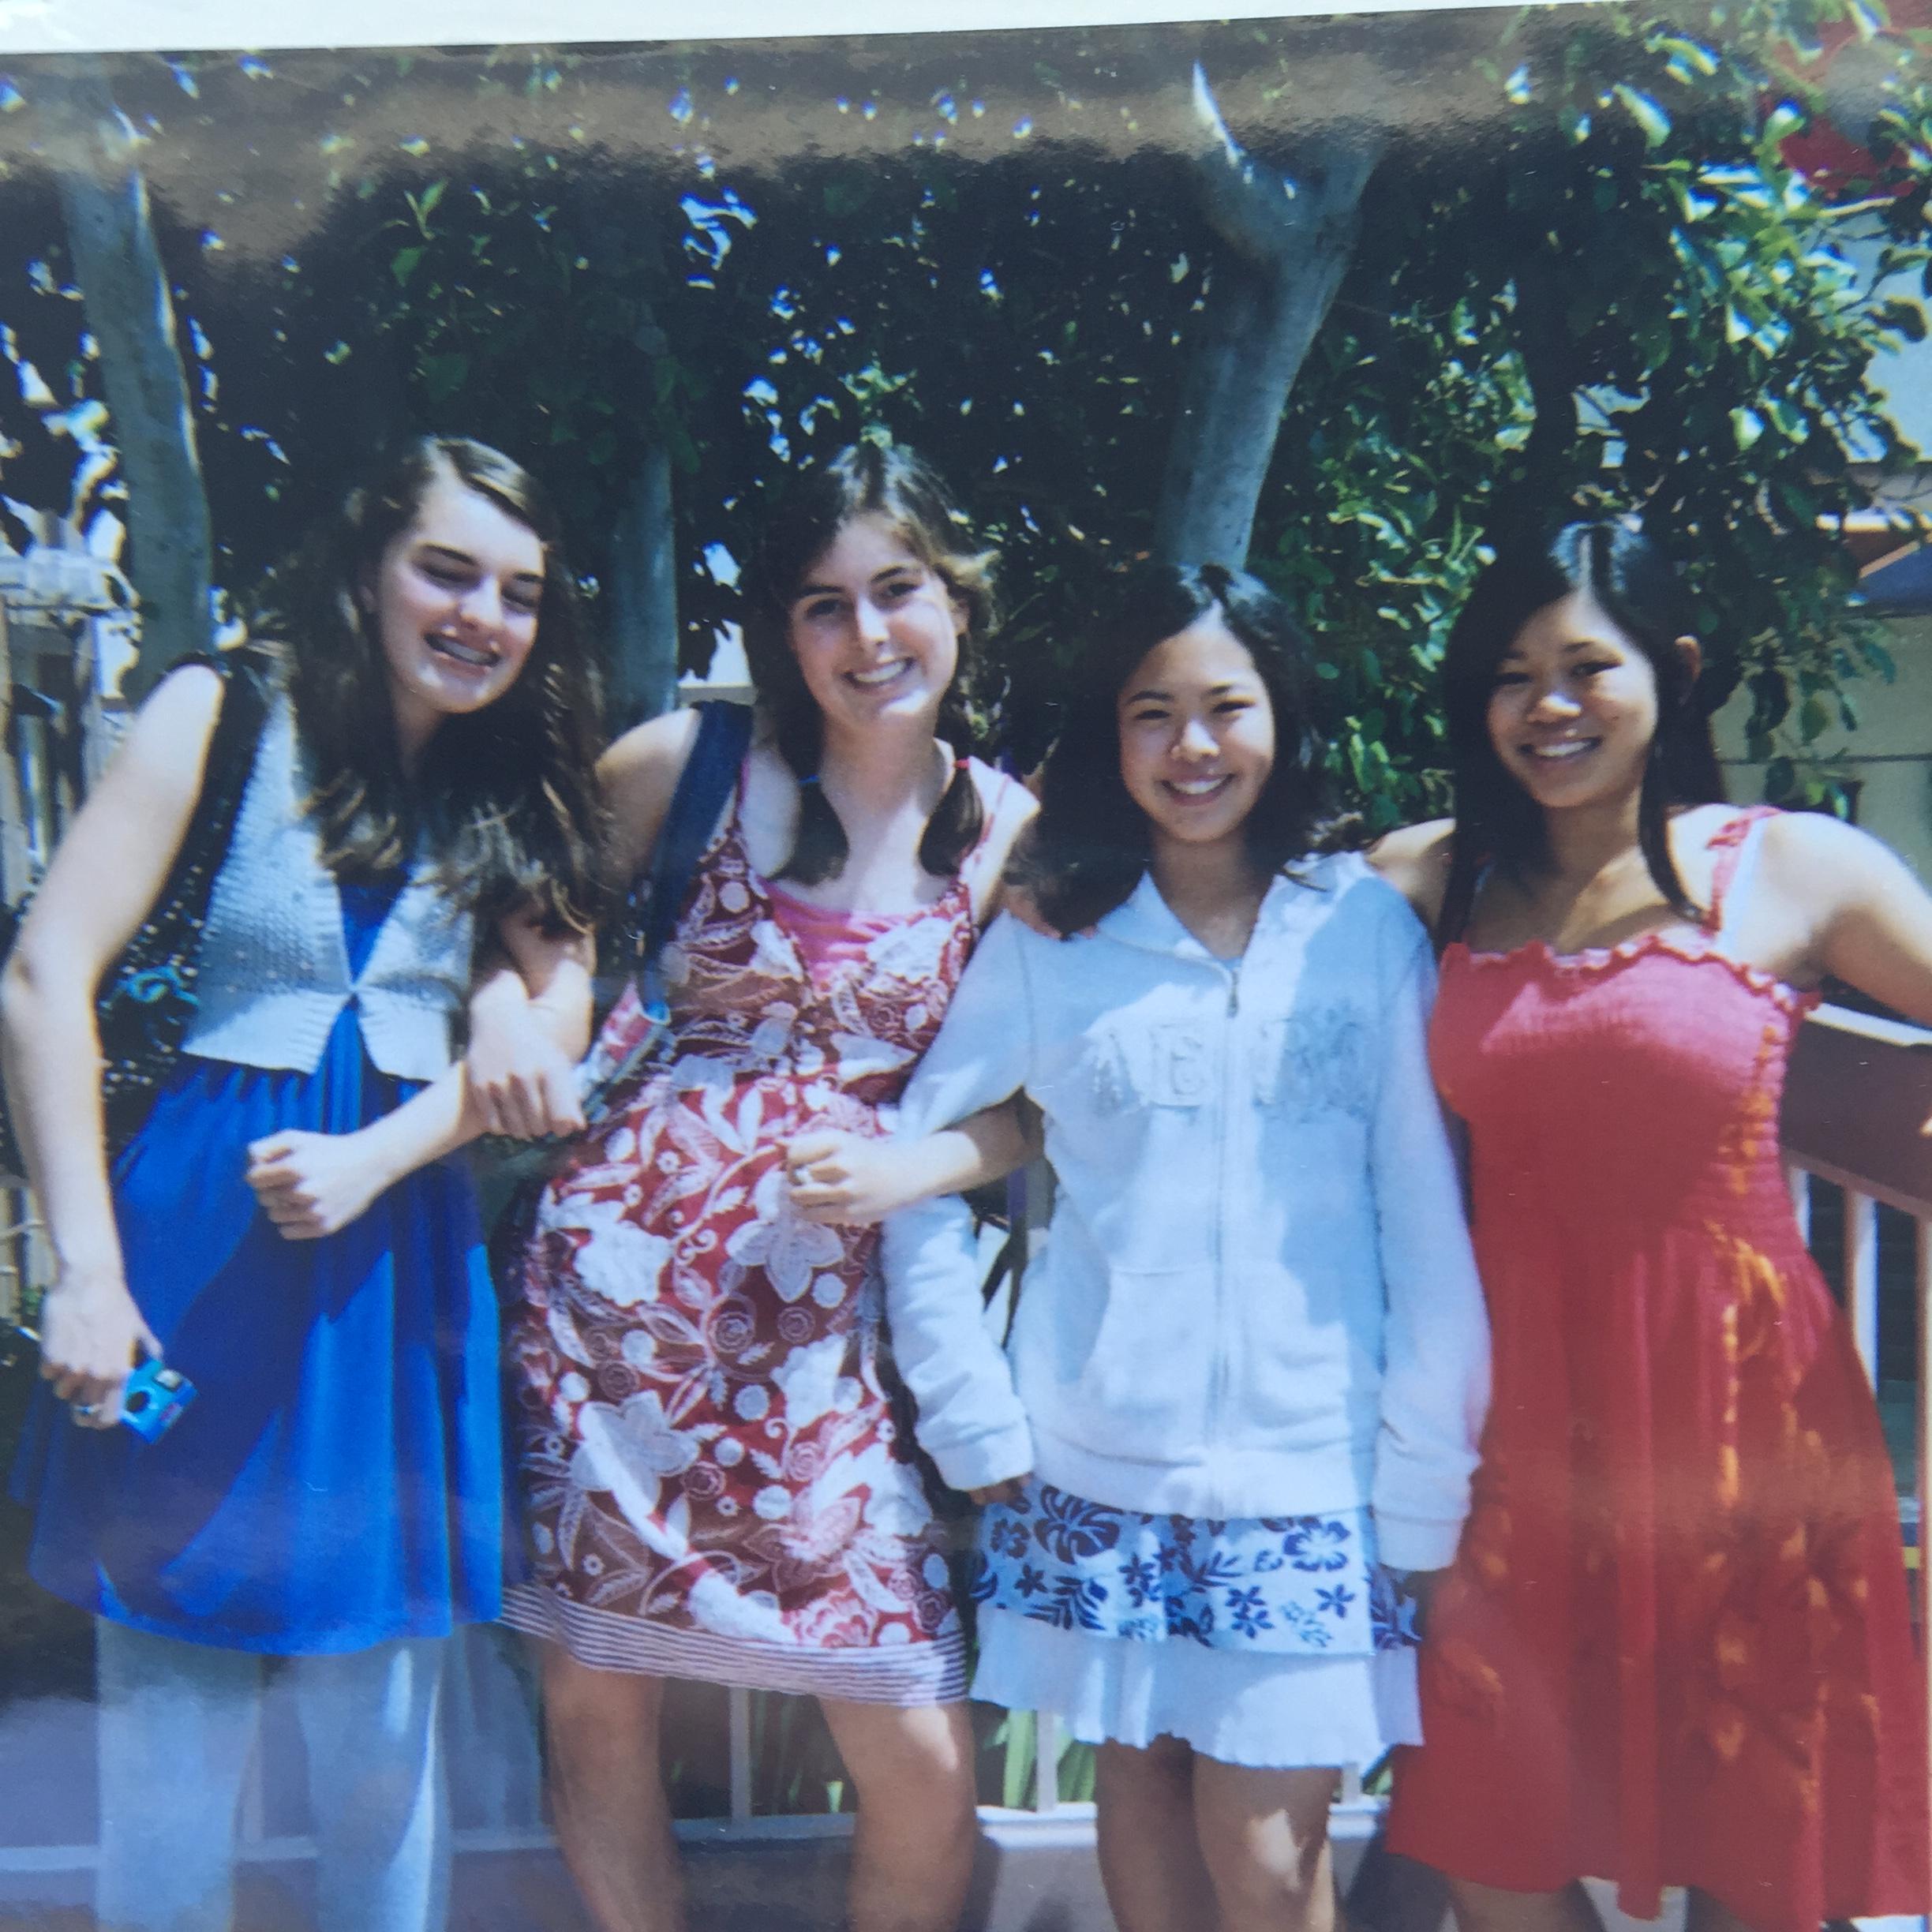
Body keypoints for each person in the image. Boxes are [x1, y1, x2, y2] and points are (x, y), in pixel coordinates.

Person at [4, 434, 605, 1932]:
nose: (482, 616)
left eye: (519, 593)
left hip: (386, 1290)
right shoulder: (220, 707)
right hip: (183, 1283)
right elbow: (42, 977)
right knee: (170, 1716)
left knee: (378, 1739)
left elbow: (564, 990)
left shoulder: (500, 782)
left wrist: (444, 1078)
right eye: (447, 572)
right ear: (366, 569)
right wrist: (86, 1271)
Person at [872, 560, 1492, 1932]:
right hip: (1091, 1459)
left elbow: (1420, 1214)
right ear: (1110, 733)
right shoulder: (1054, 938)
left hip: (1310, 1469)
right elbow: (914, 1166)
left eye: (1226, 706)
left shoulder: (1363, 932)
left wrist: (1426, 1468)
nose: (1192, 747)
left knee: (1271, 1863)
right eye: (1153, 712)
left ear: (1284, 719)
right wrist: (973, 1416)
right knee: (1137, 1801)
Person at [496, 442, 1035, 1932]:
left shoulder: (1007, 831)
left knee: (920, 1751)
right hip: (609, 1312)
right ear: (779, 634)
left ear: (959, 603)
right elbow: (533, 937)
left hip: (827, 1353)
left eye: (900, 592)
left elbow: (1042, 1107)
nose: (869, 639)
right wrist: (515, 1020)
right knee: (599, 1696)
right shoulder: (686, 768)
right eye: (823, 605)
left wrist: (916, 1160)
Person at [1371, 521, 1931, 1932]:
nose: (1546, 707)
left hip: (1749, 1430)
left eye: (1584, 667)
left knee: (1758, 1859)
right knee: (1495, 1846)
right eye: (1510, 676)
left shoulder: (1795, 867)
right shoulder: (1425, 883)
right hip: (1515, 1438)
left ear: (1674, 673)